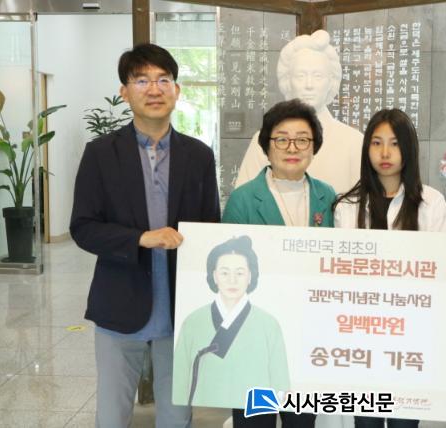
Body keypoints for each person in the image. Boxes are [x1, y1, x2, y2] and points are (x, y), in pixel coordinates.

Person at [70, 43, 220, 428]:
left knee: (177, 414)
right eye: (142, 81)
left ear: (177, 90)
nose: (154, 89)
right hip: (119, 301)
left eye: (163, 80)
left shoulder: (199, 156)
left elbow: (210, 228)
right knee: (112, 414)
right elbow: (83, 227)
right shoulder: (101, 153)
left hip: (180, 307)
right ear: (125, 92)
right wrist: (140, 238)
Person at [333, 109, 446, 428]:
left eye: (394, 143)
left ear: (408, 149)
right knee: (366, 423)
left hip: (412, 336)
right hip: (361, 336)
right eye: (376, 143)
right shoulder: (347, 206)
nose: (385, 153)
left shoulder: (431, 203)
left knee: (405, 422)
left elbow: (440, 285)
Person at [223, 99, 335, 427]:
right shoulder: (243, 199)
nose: (292, 148)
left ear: (314, 146)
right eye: (282, 139)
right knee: (254, 421)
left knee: (301, 422)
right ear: (267, 145)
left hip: (307, 338)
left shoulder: (328, 197)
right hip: (254, 338)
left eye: (302, 139)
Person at [235, 29, 363, 194]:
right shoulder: (264, 140)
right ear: (287, 81)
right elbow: (245, 200)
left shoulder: (354, 142)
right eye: (300, 76)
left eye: (318, 76)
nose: (309, 85)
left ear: (331, 81)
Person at [173, 235, 289, 408]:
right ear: (214, 275)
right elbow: (180, 381)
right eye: (224, 272)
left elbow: (281, 385)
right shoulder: (193, 322)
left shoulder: (269, 325)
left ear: (250, 276)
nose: (232, 280)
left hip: (256, 409)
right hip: (203, 409)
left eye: (240, 273)